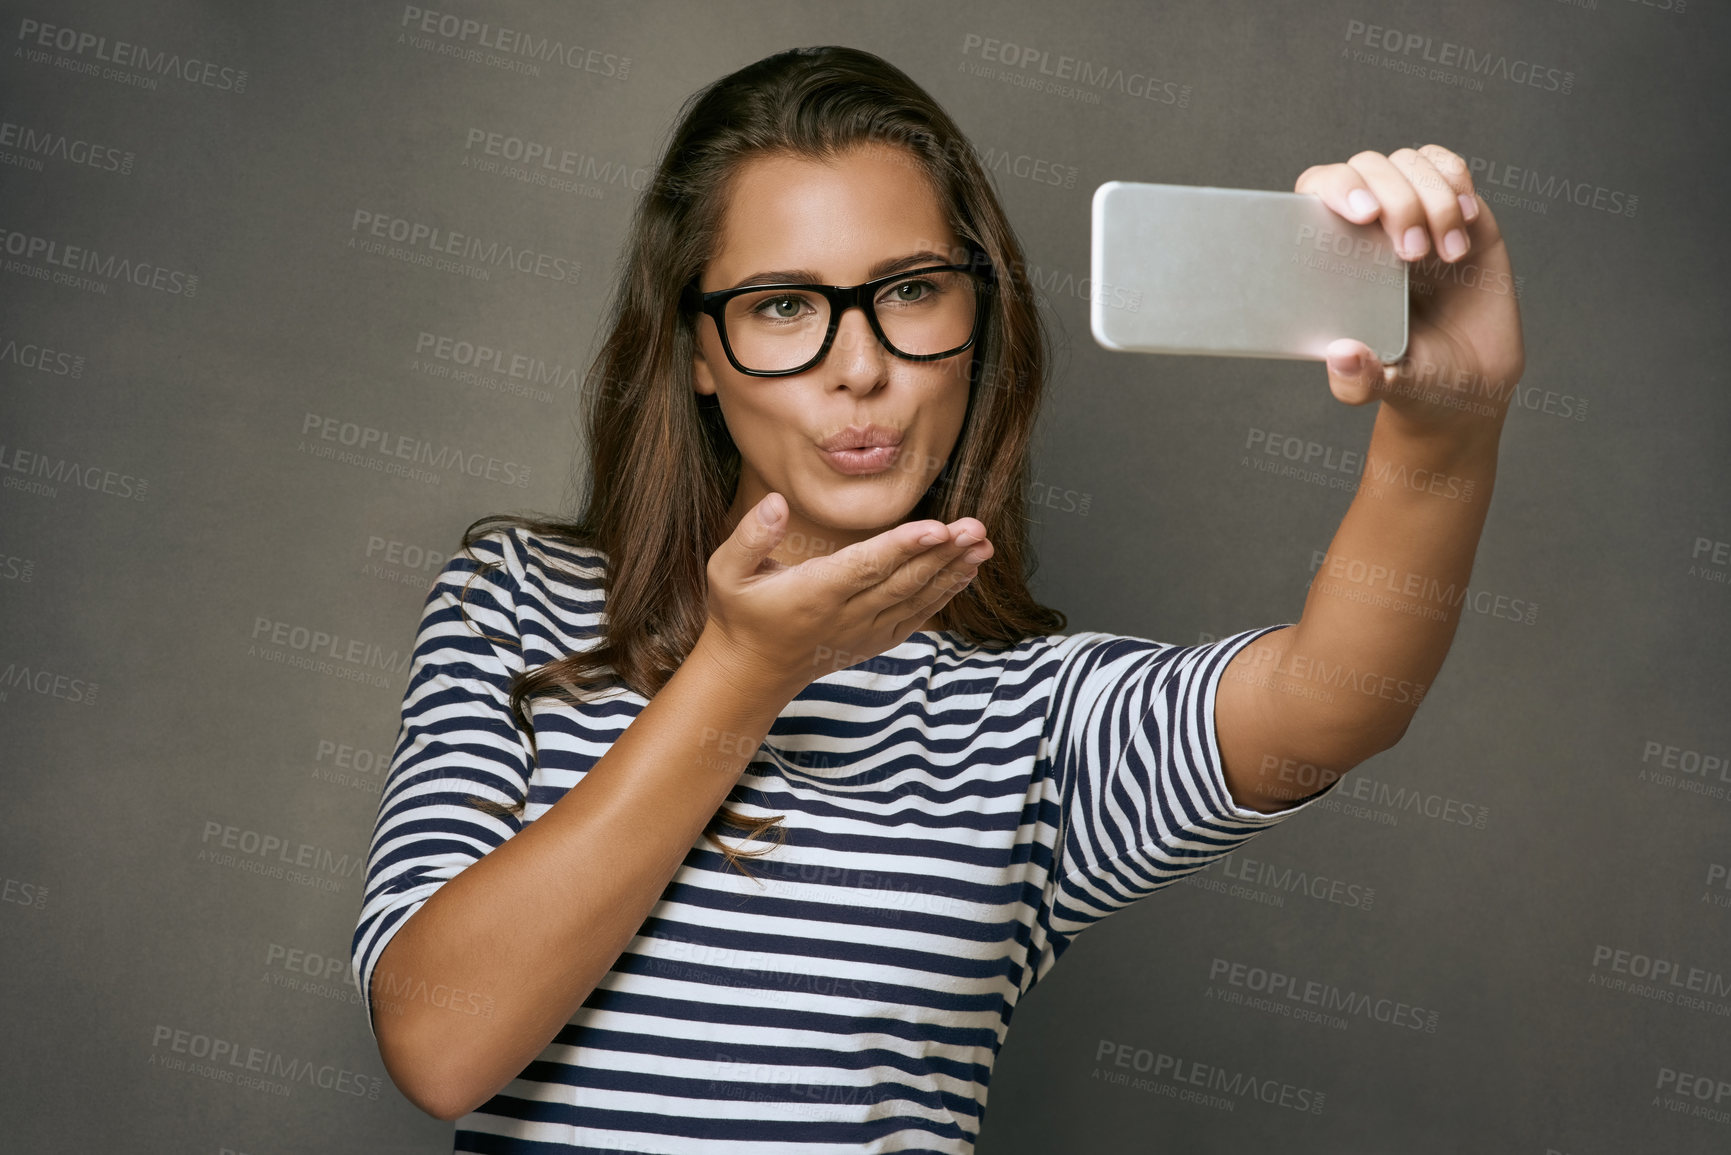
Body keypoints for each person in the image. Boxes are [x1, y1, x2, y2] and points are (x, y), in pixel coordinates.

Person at [350, 45, 1523, 1154]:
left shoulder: (1032, 716)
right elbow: (442, 1046)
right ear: (697, 350)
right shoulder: (516, 605)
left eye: (909, 291)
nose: (858, 365)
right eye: (781, 306)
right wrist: (743, 672)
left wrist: (1449, 424)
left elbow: (1337, 702)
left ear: (977, 321)